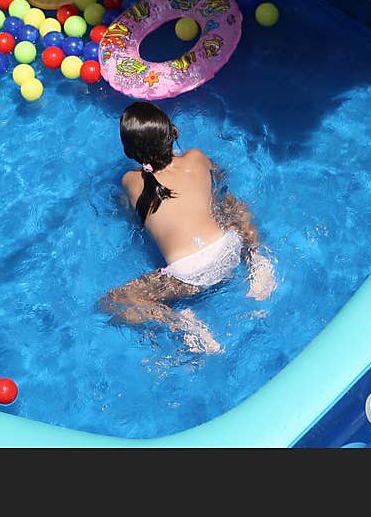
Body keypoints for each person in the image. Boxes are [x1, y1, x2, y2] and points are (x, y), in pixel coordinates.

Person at [100, 101, 277, 354]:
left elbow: (134, 221)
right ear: (174, 132)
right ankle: (256, 257)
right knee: (227, 200)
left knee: (113, 303)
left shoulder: (129, 181)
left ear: (130, 152)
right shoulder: (197, 157)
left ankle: (180, 322)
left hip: (188, 278)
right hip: (230, 248)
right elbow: (221, 180)